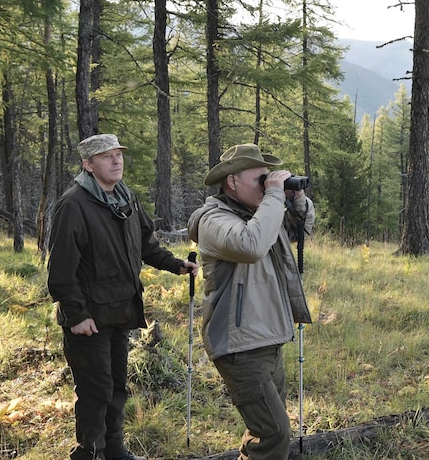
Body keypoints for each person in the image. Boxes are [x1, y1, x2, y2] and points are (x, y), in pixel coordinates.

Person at [47, 133, 199, 460]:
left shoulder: (125, 197)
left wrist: (176, 265)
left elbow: (146, 244)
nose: (116, 161)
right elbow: (60, 272)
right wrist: (76, 316)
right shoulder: (73, 204)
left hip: (121, 312)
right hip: (89, 320)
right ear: (88, 164)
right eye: (106, 156)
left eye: (118, 154)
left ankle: (114, 450)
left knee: (116, 387)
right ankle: (89, 453)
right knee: (95, 391)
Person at [187, 143, 314, 460]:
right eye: (261, 179)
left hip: (269, 337)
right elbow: (251, 245)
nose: (268, 185)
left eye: (269, 179)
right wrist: (272, 197)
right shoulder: (213, 221)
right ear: (231, 181)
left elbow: (299, 233)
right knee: (275, 432)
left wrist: (295, 201)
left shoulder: (258, 215)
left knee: (263, 428)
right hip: (239, 345)